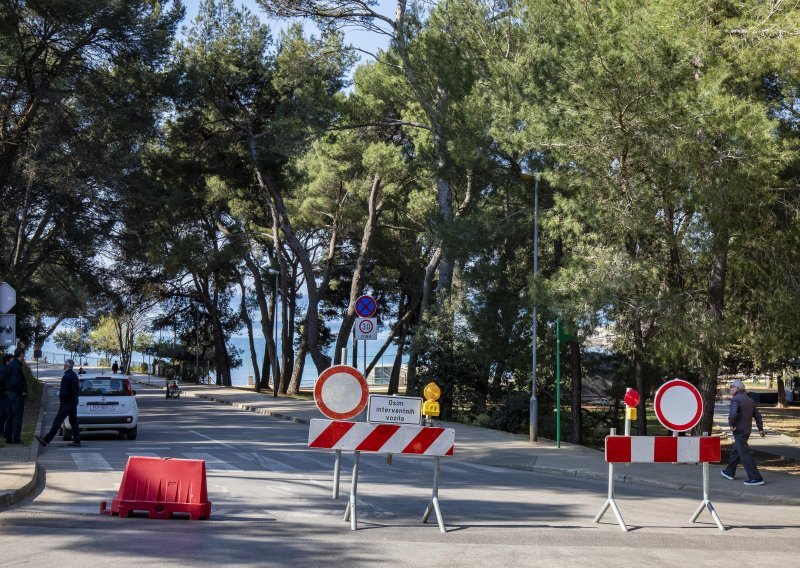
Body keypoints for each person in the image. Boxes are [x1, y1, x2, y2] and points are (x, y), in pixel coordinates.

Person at [721, 379, 766, 486]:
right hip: (747, 431)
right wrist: (760, 428)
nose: (729, 389)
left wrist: (731, 424)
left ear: (737, 388)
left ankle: (756, 478)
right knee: (736, 451)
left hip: (738, 430)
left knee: (744, 454)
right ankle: (729, 472)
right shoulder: (750, 400)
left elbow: (733, 414)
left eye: (731, 387)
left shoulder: (736, 399)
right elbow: (758, 416)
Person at [37, 359, 81, 448]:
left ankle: (46, 440)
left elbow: (64, 392)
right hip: (73, 401)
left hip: (66, 403)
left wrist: (61, 399)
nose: (63, 366)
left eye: (64, 364)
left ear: (66, 366)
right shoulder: (74, 375)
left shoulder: (66, 377)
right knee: (73, 422)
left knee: (57, 421)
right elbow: (77, 389)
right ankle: (77, 441)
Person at [4, 348, 28, 444]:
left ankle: (8, 437)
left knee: (10, 416)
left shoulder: (12, 365)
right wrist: (22, 390)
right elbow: (15, 382)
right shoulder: (16, 366)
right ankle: (16, 438)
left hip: (10, 394)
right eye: (24, 355)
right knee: (17, 417)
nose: (24, 357)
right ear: (21, 355)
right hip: (16, 395)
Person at [0, 355, 12, 443]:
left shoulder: (2, 368)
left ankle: (2, 432)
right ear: (7, 360)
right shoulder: (5, 369)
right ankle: (3, 433)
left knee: (3, 414)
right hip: (3, 395)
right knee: (5, 414)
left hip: (3, 394)